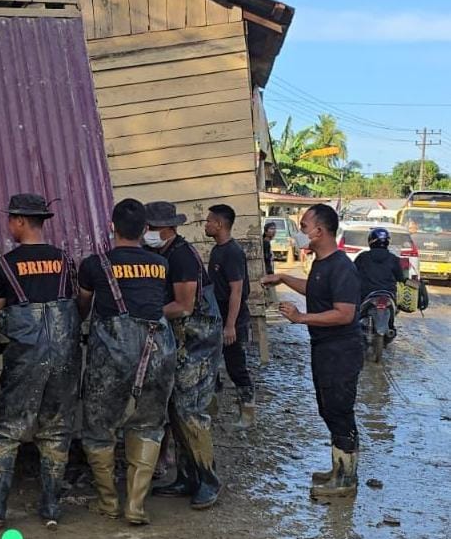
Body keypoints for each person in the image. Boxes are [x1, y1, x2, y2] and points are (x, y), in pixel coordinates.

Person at [0, 194, 81, 530]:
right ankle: (50, 508)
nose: (8, 224)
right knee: (56, 430)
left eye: (11, 219)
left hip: (26, 356)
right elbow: (74, 304)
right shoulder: (65, 260)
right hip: (65, 353)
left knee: (7, 430)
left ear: (21, 221)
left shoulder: (3, 263)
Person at [76, 199, 175, 525]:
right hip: (157, 355)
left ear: (111, 227)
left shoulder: (93, 265)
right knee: (148, 426)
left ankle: (108, 502)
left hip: (111, 360)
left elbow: (83, 309)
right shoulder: (160, 264)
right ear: (146, 230)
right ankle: (135, 505)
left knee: (99, 430)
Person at [261, 204, 363, 498]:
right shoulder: (321, 263)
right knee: (328, 408)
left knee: (339, 411)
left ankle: (346, 481)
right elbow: (315, 289)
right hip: (324, 347)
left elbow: (344, 313)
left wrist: (301, 318)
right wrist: (282, 278)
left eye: (303, 226)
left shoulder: (342, 266)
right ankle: (339, 470)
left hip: (341, 350)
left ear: (319, 231)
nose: (300, 232)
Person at [144, 201, 223, 510]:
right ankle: (187, 477)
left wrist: (146, 314)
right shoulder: (162, 252)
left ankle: (208, 480)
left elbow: (184, 306)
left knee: (191, 411)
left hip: (198, 340)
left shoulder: (182, 256)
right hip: (180, 340)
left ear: (168, 229)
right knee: (176, 409)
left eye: (151, 229)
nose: (146, 233)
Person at [205, 204, 256, 430]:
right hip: (217, 316)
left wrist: (230, 326)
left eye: (208, 221)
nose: (205, 225)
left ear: (220, 224)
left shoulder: (232, 252)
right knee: (211, 365)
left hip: (232, 317)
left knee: (236, 368)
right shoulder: (217, 250)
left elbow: (237, 291)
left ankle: (247, 416)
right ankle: (211, 411)